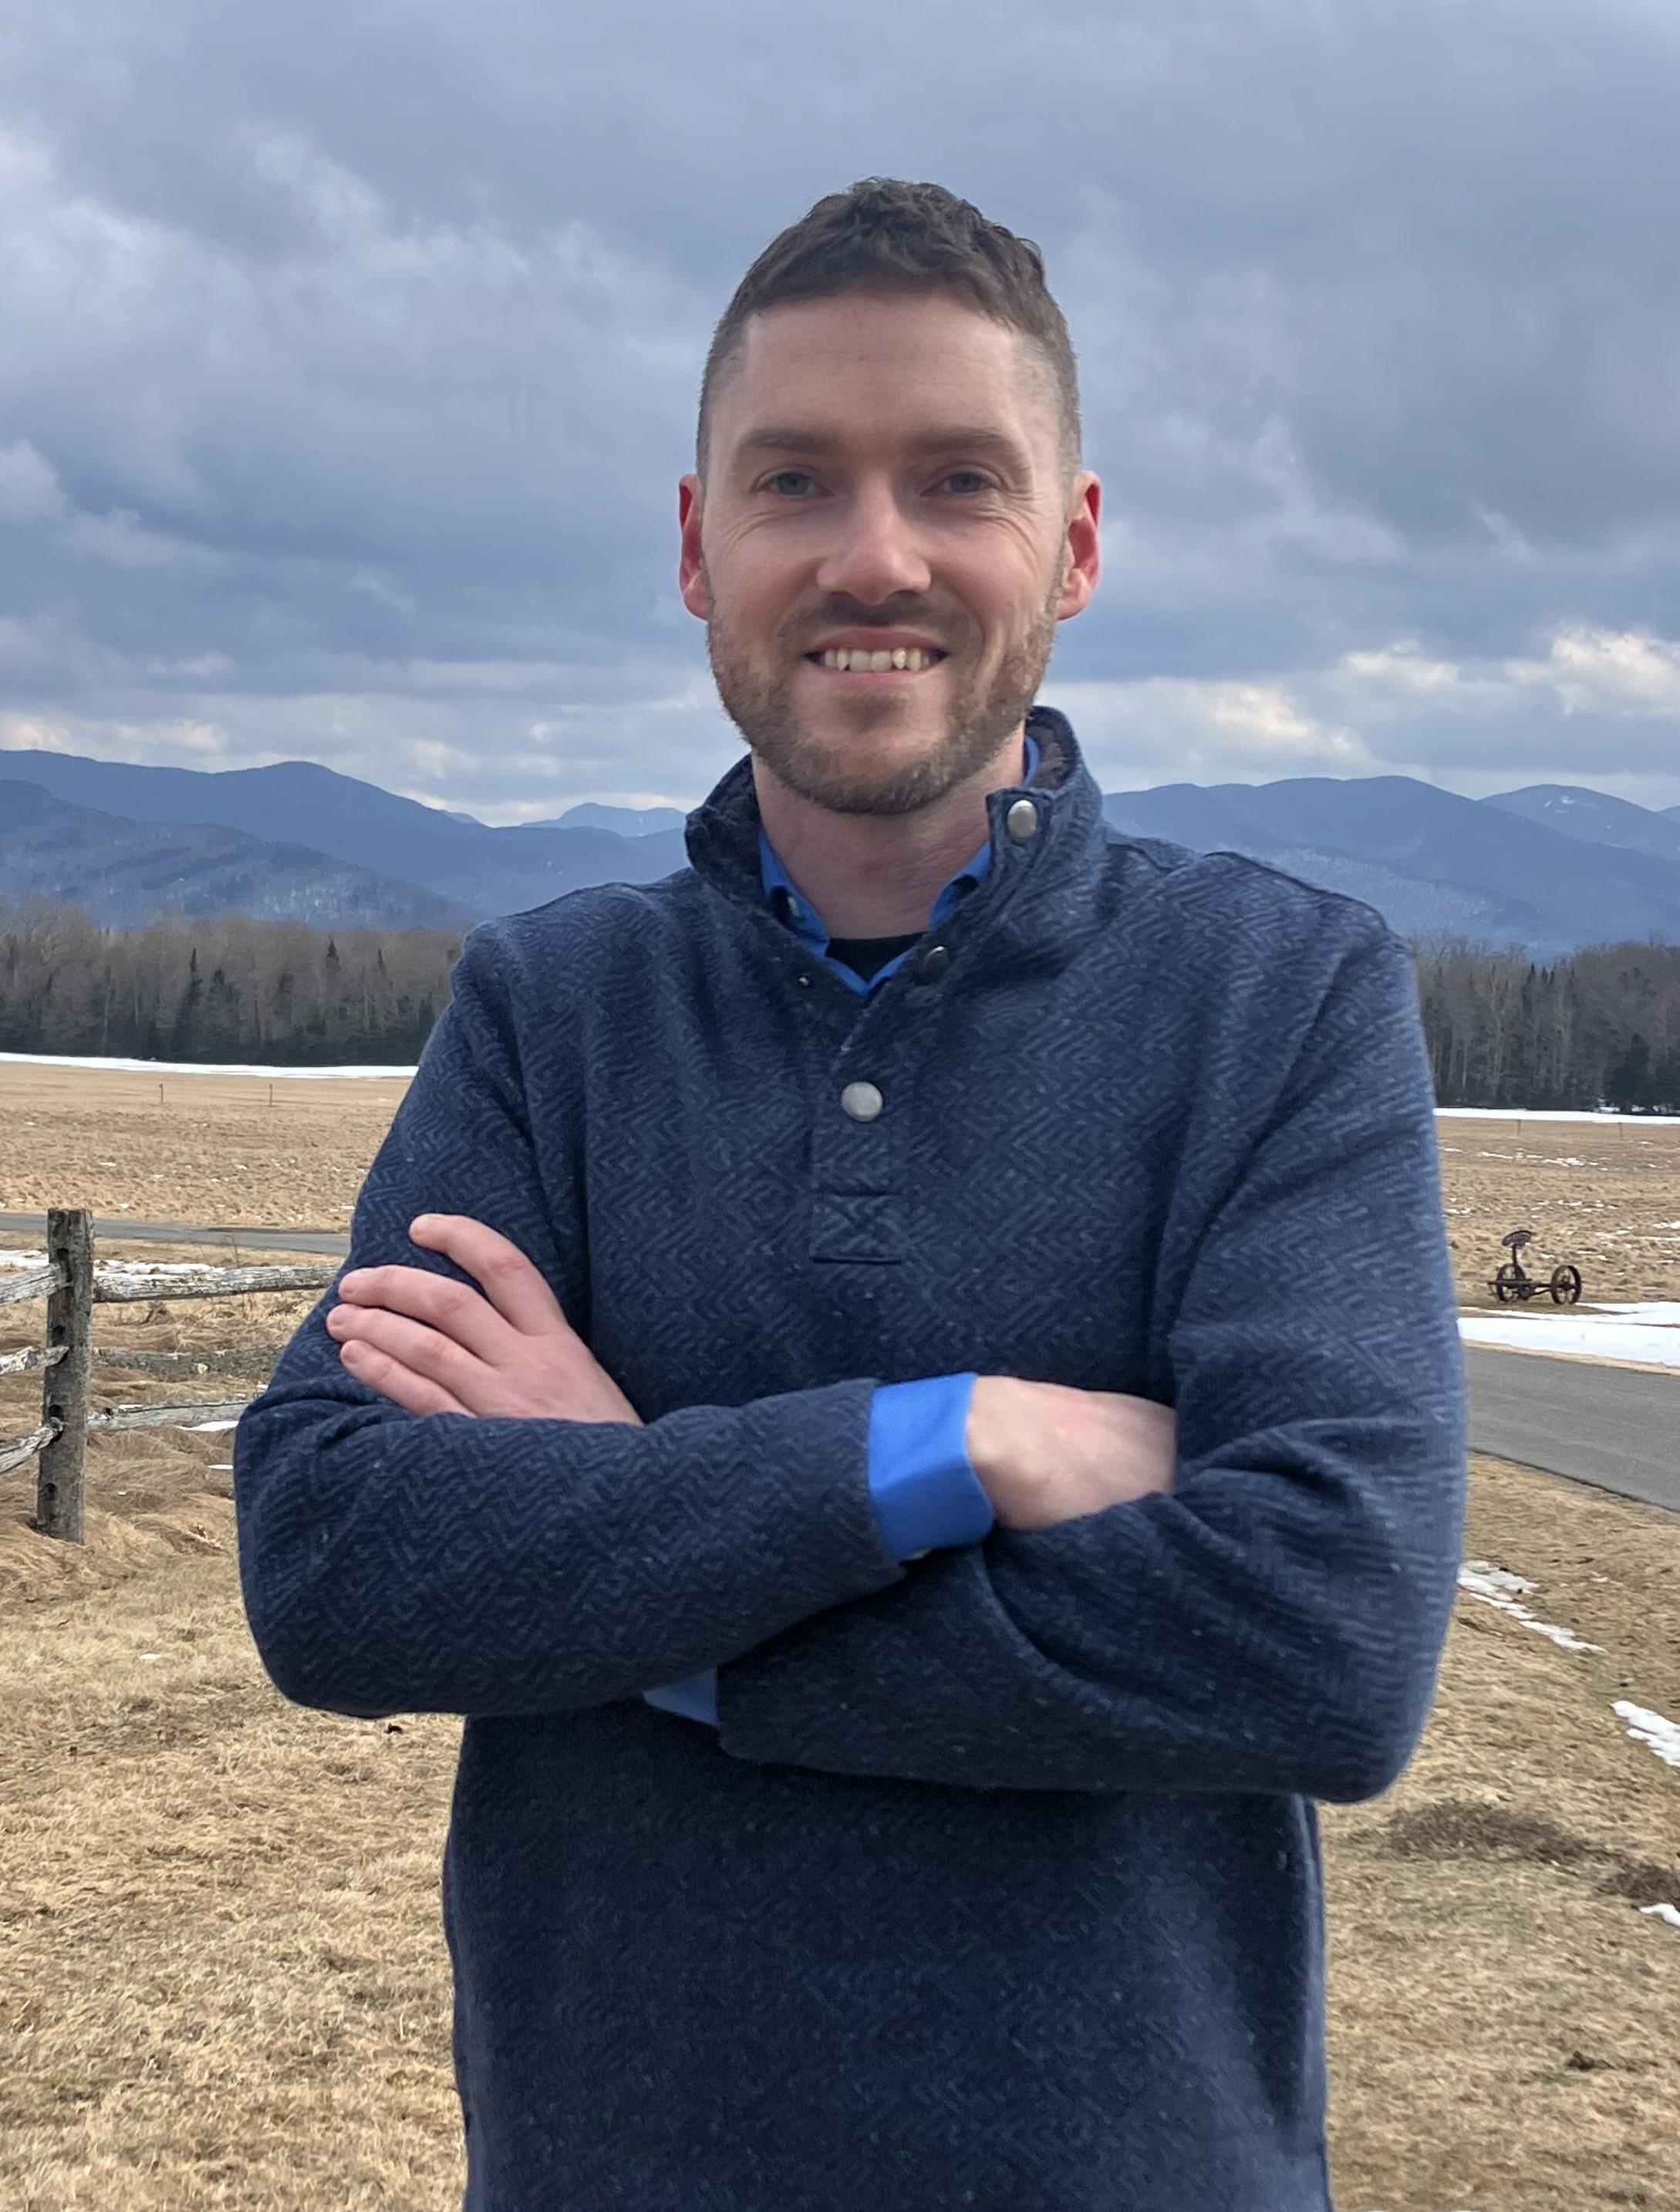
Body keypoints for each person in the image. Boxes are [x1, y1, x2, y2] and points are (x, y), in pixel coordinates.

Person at [234, 177, 1467, 2211]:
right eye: (795, 478)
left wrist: (651, 1582)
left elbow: (1321, 1639)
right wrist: (939, 1441)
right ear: (698, 544)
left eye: (956, 478)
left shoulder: (1277, 996)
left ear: (1068, 545)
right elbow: (337, 1559)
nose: (873, 554)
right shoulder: (553, 1008)